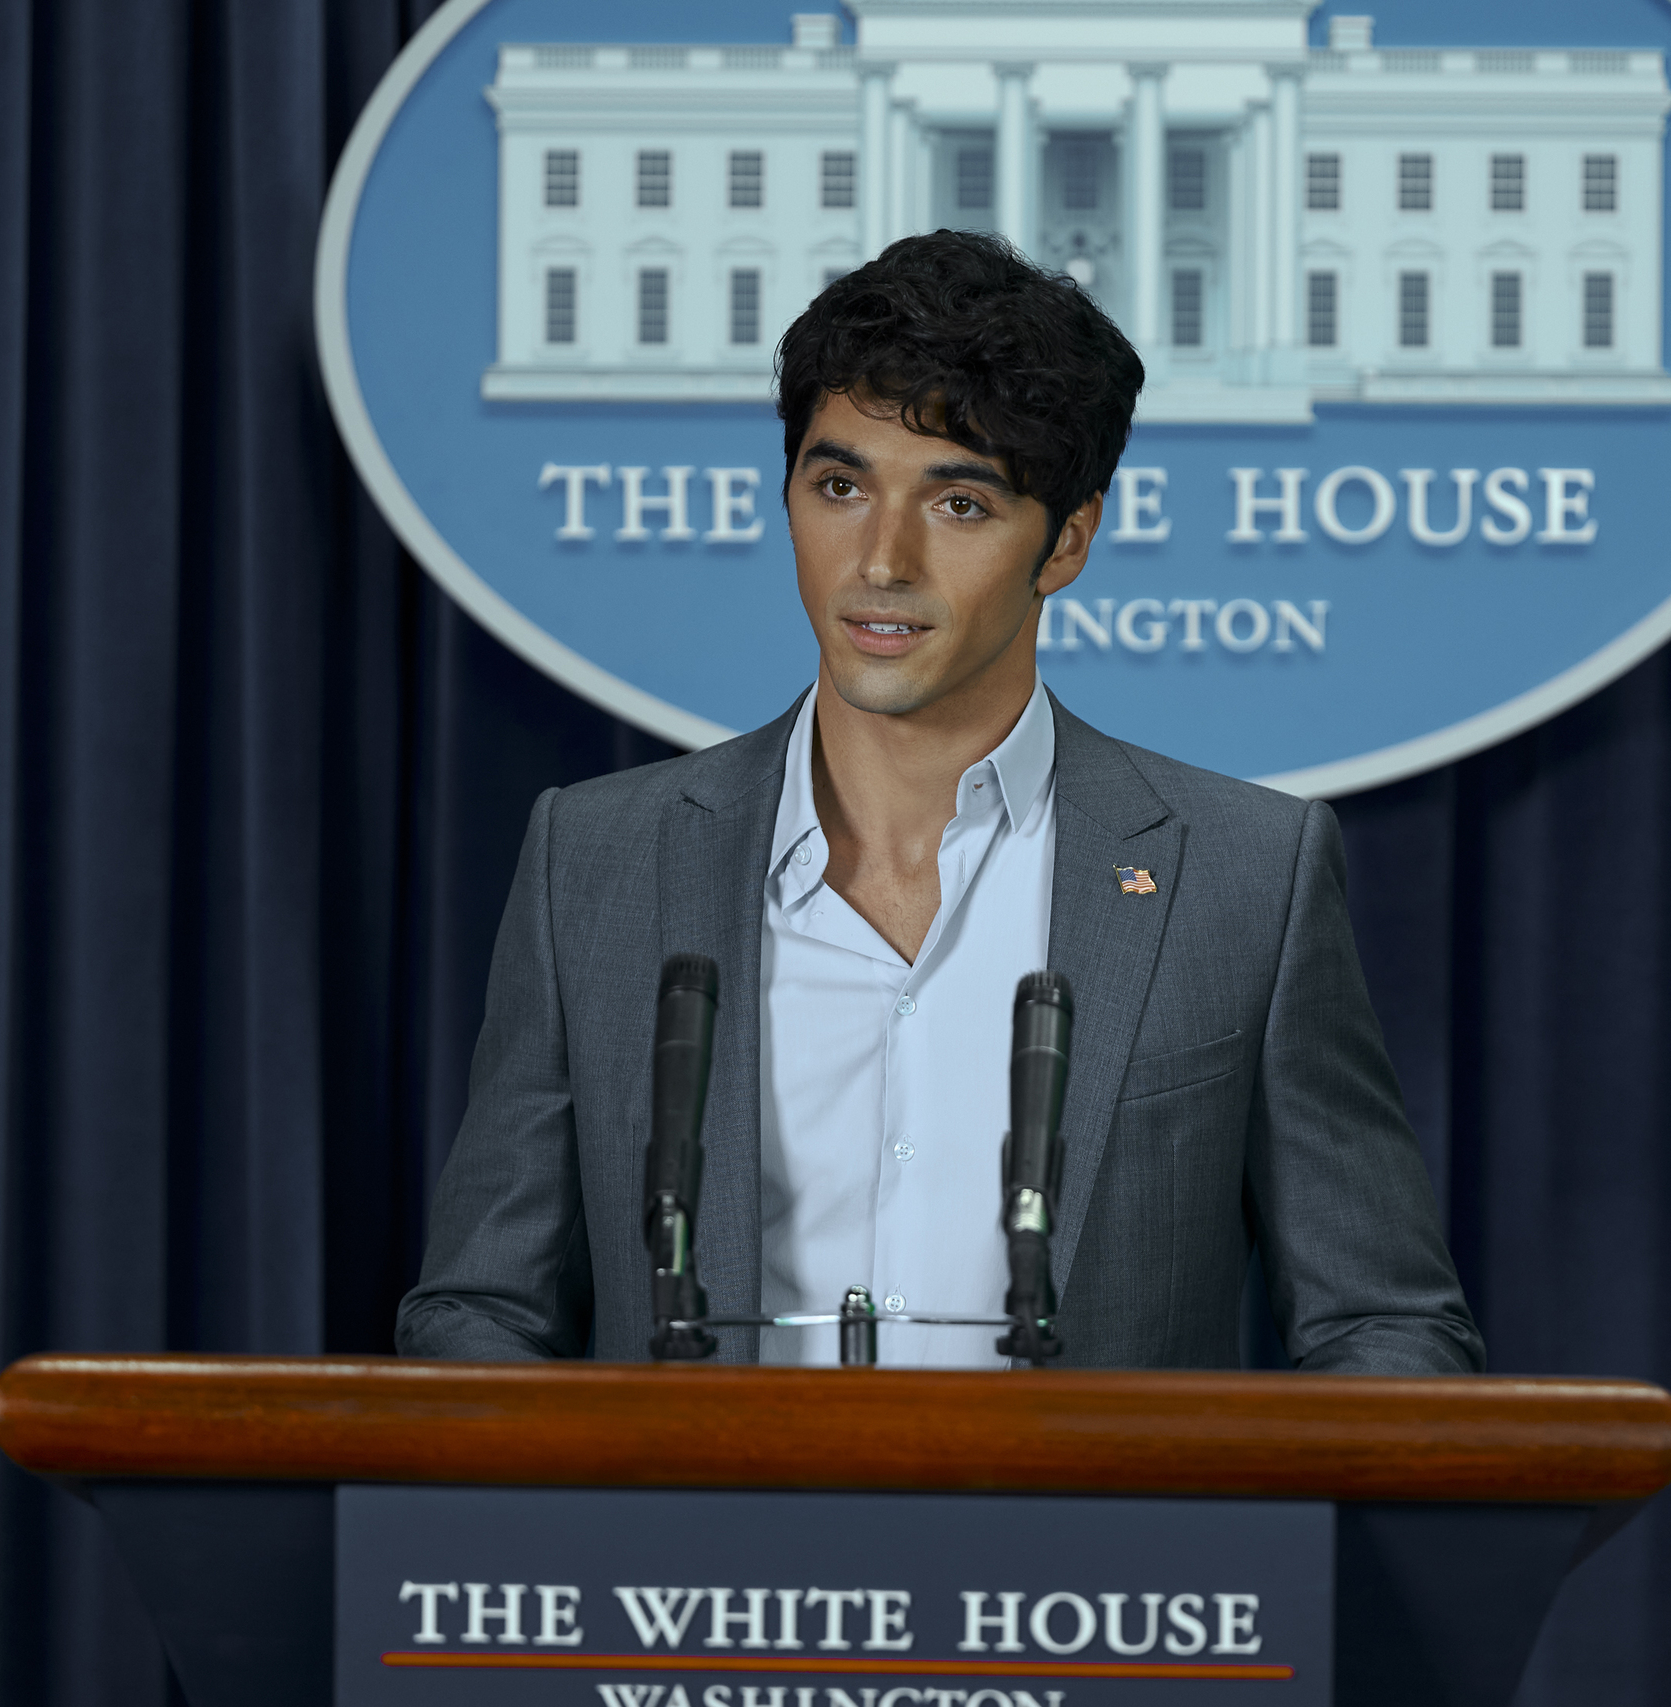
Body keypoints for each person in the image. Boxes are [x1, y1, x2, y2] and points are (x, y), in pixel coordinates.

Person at [398, 231, 1478, 1373]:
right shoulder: (595, 861)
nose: (882, 559)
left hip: (1090, 1552)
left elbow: (1385, 1326)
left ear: (1064, 542)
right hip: (703, 1551)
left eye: (958, 503)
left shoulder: (1246, 878)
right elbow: (482, 1311)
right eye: (839, 485)